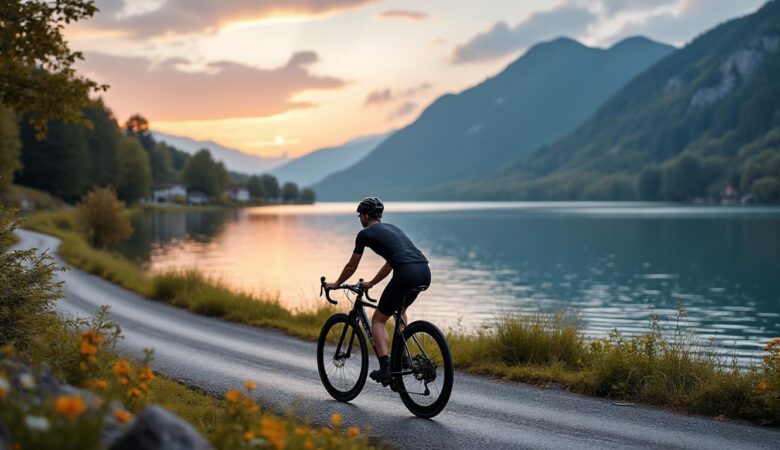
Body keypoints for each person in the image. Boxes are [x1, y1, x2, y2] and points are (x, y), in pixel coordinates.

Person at [327, 197, 431, 385]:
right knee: (400, 313)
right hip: (424, 271)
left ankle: (386, 368)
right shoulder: (393, 229)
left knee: (378, 320)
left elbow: (351, 266)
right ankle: (404, 359)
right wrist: (372, 283)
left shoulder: (364, 234)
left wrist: (335, 284)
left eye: (360, 216)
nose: (360, 219)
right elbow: (391, 263)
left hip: (406, 272)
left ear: (365, 216)